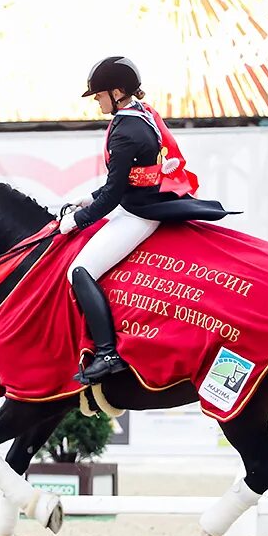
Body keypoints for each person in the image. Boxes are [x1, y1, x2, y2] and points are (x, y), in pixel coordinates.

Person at [61, 56, 233, 385]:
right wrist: (90, 197)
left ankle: (108, 353)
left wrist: (77, 220)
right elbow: (122, 181)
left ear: (117, 92)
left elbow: (115, 195)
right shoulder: (141, 115)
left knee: (79, 271)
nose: (96, 100)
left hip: (138, 212)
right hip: (137, 199)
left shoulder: (125, 130)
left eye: (99, 95)